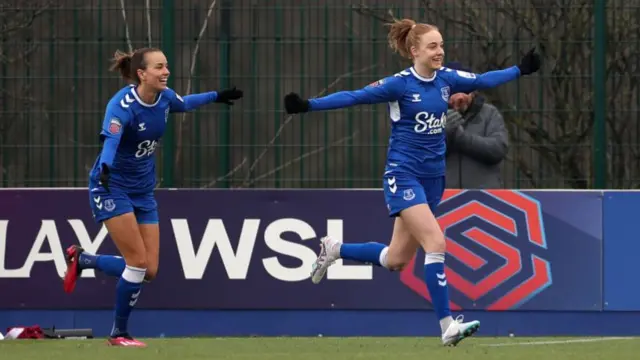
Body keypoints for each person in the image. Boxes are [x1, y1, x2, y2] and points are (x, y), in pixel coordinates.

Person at [283, 18, 539, 346]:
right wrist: (308, 106)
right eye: (433, 46)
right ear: (414, 51)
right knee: (437, 243)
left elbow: (484, 79)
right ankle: (447, 325)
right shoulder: (399, 85)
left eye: (442, 45)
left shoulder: (447, 79)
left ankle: (337, 249)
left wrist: (521, 70)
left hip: (434, 179)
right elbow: (355, 97)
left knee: (396, 260)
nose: (440, 51)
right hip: (403, 175)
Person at [62, 47, 243, 347]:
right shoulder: (121, 105)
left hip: (143, 191)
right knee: (136, 263)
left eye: (167, 66)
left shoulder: (165, 98)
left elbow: (184, 104)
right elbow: (111, 140)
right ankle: (118, 333)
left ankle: (83, 259)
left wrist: (216, 95)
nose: (166, 72)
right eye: (159, 67)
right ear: (141, 74)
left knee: (150, 270)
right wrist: (105, 167)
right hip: (112, 187)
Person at [444, 62, 509, 189]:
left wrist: (462, 138)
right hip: (442, 197)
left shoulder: (489, 113)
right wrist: (443, 135)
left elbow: (498, 150)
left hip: (483, 198)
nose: (459, 96)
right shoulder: (427, 114)